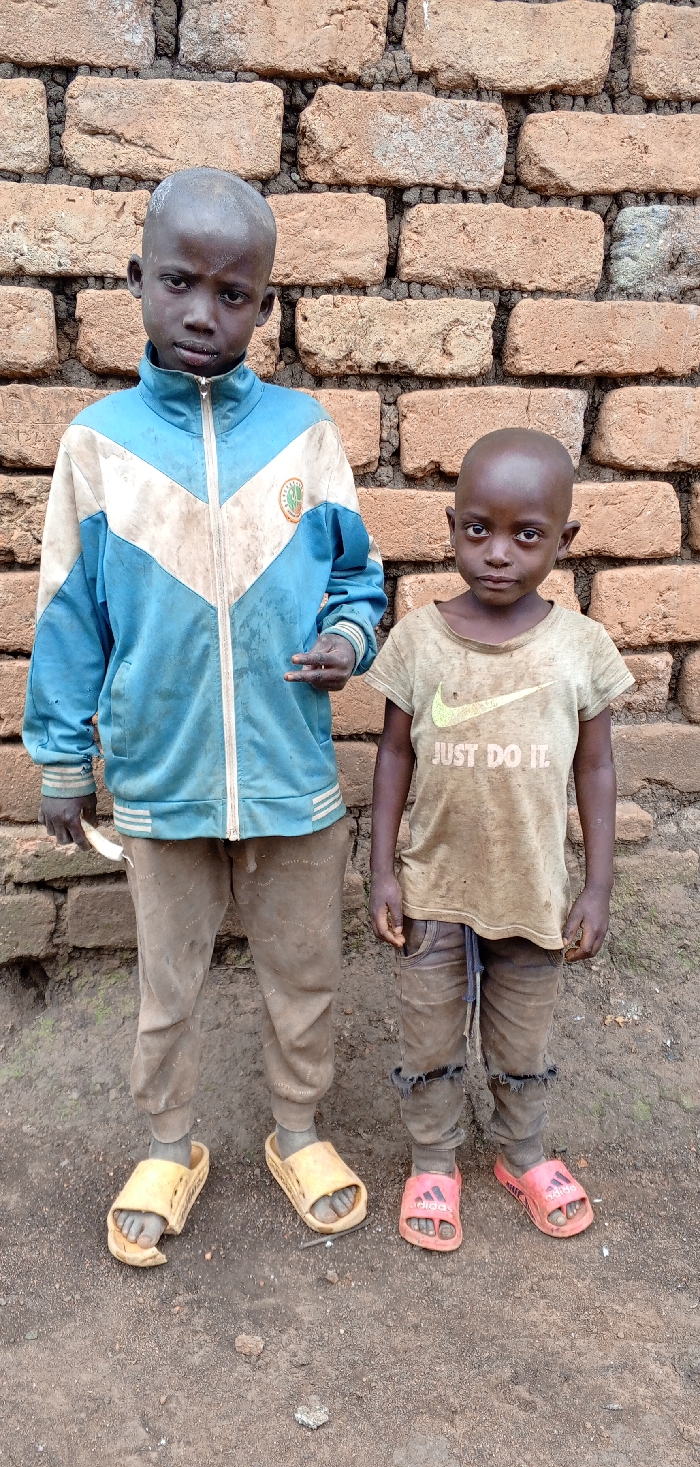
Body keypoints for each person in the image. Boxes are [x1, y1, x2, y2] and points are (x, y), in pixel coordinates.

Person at [23, 167, 386, 1266]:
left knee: (304, 969)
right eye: (179, 281)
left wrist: (349, 639)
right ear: (137, 278)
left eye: (233, 294)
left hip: (291, 774)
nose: (201, 312)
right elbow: (67, 618)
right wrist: (61, 759)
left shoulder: (304, 436)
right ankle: (169, 1143)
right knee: (166, 978)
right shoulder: (98, 444)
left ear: (265, 307)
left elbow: (357, 580)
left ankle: (298, 1129)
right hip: (161, 773)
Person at [366, 429, 634, 1251]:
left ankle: (523, 1153)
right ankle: (433, 1160)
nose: (498, 554)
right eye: (478, 529)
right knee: (429, 1038)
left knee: (523, 1041)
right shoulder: (418, 639)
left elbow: (597, 768)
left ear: (564, 541)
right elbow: (394, 755)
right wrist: (381, 871)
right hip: (434, 887)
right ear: (451, 527)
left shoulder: (580, 647)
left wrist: (597, 886)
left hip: (531, 890)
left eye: (527, 535)